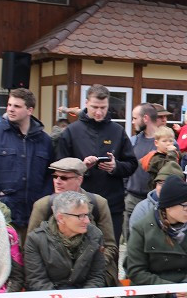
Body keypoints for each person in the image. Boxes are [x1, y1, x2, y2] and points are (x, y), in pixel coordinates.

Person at [54, 84, 137, 239]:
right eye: (94, 107)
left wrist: (115, 167)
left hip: (112, 204)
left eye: (103, 108)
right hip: (77, 205)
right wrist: (81, 167)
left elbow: (132, 164)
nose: (99, 112)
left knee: (110, 252)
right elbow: (59, 167)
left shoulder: (117, 131)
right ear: (86, 103)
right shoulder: (72, 132)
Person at [0, 88, 52, 237]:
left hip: (35, 214)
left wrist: (43, 199)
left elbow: (51, 174)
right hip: (2, 212)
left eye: (17, 106)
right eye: (9, 105)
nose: (11, 109)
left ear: (29, 110)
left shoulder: (45, 140)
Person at [27, 158, 118, 287]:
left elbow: (110, 245)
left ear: (79, 180)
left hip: (93, 274)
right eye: (55, 176)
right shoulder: (43, 205)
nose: (57, 181)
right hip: (54, 277)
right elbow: (32, 246)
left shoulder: (98, 203)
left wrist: (89, 266)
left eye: (64, 178)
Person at [124, 102, 166, 238]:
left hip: (154, 200)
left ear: (146, 118)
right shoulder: (133, 141)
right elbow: (126, 167)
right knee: (131, 242)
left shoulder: (165, 142)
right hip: (131, 198)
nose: (132, 122)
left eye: (135, 118)